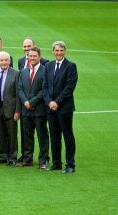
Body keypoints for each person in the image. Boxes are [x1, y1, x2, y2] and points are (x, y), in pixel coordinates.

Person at [43, 41, 78, 174]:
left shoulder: (71, 66)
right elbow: (45, 86)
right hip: (50, 108)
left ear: (65, 51)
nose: (59, 53)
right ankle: (56, 163)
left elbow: (69, 88)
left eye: (61, 50)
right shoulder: (48, 66)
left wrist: (56, 102)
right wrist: (49, 102)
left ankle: (70, 164)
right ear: (53, 51)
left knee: (68, 135)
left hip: (64, 108)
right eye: (57, 50)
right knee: (54, 136)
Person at [16, 47, 49, 168]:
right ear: (28, 57)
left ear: (39, 57)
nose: (32, 58)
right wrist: (25, 102)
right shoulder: (23, 71)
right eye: (30, 56)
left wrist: (32, 102)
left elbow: (45, 89)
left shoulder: (45, 70)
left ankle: (43, 160)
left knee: (42, 136)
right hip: (26, 110)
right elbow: (19, 88)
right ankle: (27, 158)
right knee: (27, 135)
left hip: (39, 110)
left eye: (35, 56)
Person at [0, 51, 20, 166]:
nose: (4, 62)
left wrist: (18, 110)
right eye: (1, 60)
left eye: (6, 60)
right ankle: (2, 155)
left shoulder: (16, 73)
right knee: (0, 133)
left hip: (11, 109)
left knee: (12, 133)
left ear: (9, 61)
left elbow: (18, 93)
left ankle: (12, 156)